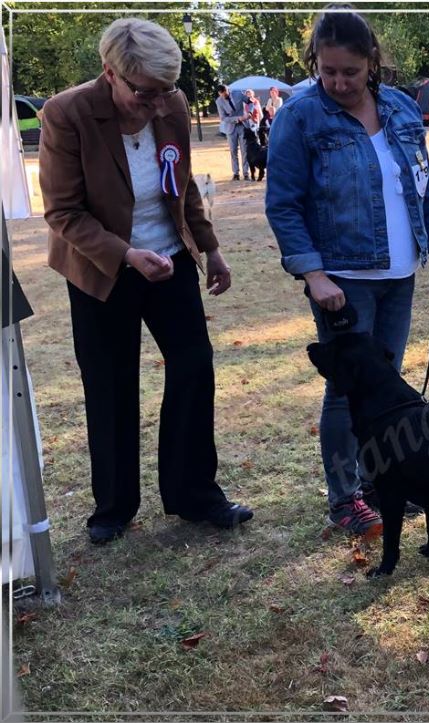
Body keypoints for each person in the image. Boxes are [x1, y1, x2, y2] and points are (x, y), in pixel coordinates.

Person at [38, 18, 251, 545]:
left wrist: (210, 248)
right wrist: (127, 254)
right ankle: (114, 507)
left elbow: (180, 188)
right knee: (109, 383)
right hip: (101, 267)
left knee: (194, 367)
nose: (159, 106)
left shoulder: (170, 106)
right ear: (110, 73)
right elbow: (63, 212)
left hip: (169, 256)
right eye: (146, 94)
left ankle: (194, 495)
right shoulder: (67, 115)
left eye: (167, 92)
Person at [265, 5, 429, 537]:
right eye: (327, 71)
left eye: (349, 71)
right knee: (345, 390)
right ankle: (345, 497)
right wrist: (312, 274)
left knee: (387, 385)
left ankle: (381, 481)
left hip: (401, 272)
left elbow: (425, 187)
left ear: (371, 61)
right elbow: (283, 204)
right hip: (342, 281)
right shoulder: (300, 116)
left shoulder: (397, 107)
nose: (338, 82)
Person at [215, 84, 250, 180]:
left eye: (226, 92)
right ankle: (236, 173)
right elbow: (223, 118)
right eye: (222, 94)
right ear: (219, 93)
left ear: (228, 90)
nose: (225, 95)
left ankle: (246, 173)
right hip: (230, 129)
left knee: (245, 150)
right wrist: (238, 118)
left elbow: (250, 102)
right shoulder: (219, 101)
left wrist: (250, 112)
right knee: (233, 151)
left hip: (243, 126)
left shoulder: (238, 94)